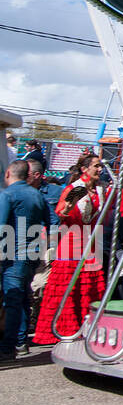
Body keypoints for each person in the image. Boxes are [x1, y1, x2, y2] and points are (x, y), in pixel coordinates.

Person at [31, 153, 106, 346]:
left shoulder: (99, 190)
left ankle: (86, 327)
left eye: (100, 166)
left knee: (88, 289)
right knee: (67, 289)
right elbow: (62, 213)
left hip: (90, 245)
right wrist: (67, 208)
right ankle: (64, 329)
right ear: (85, 169)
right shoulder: (75, 188)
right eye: (96, 166)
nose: (100, 170)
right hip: (71, 245)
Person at [0, 161, 49, 357]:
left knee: (12, 299)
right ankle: (21, 343)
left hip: (13, 255)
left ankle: (8, 346)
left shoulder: (8, 194)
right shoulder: (37, 194)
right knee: (21, 299)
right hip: (32, 253)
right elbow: (51, 221)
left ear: (8, 173)